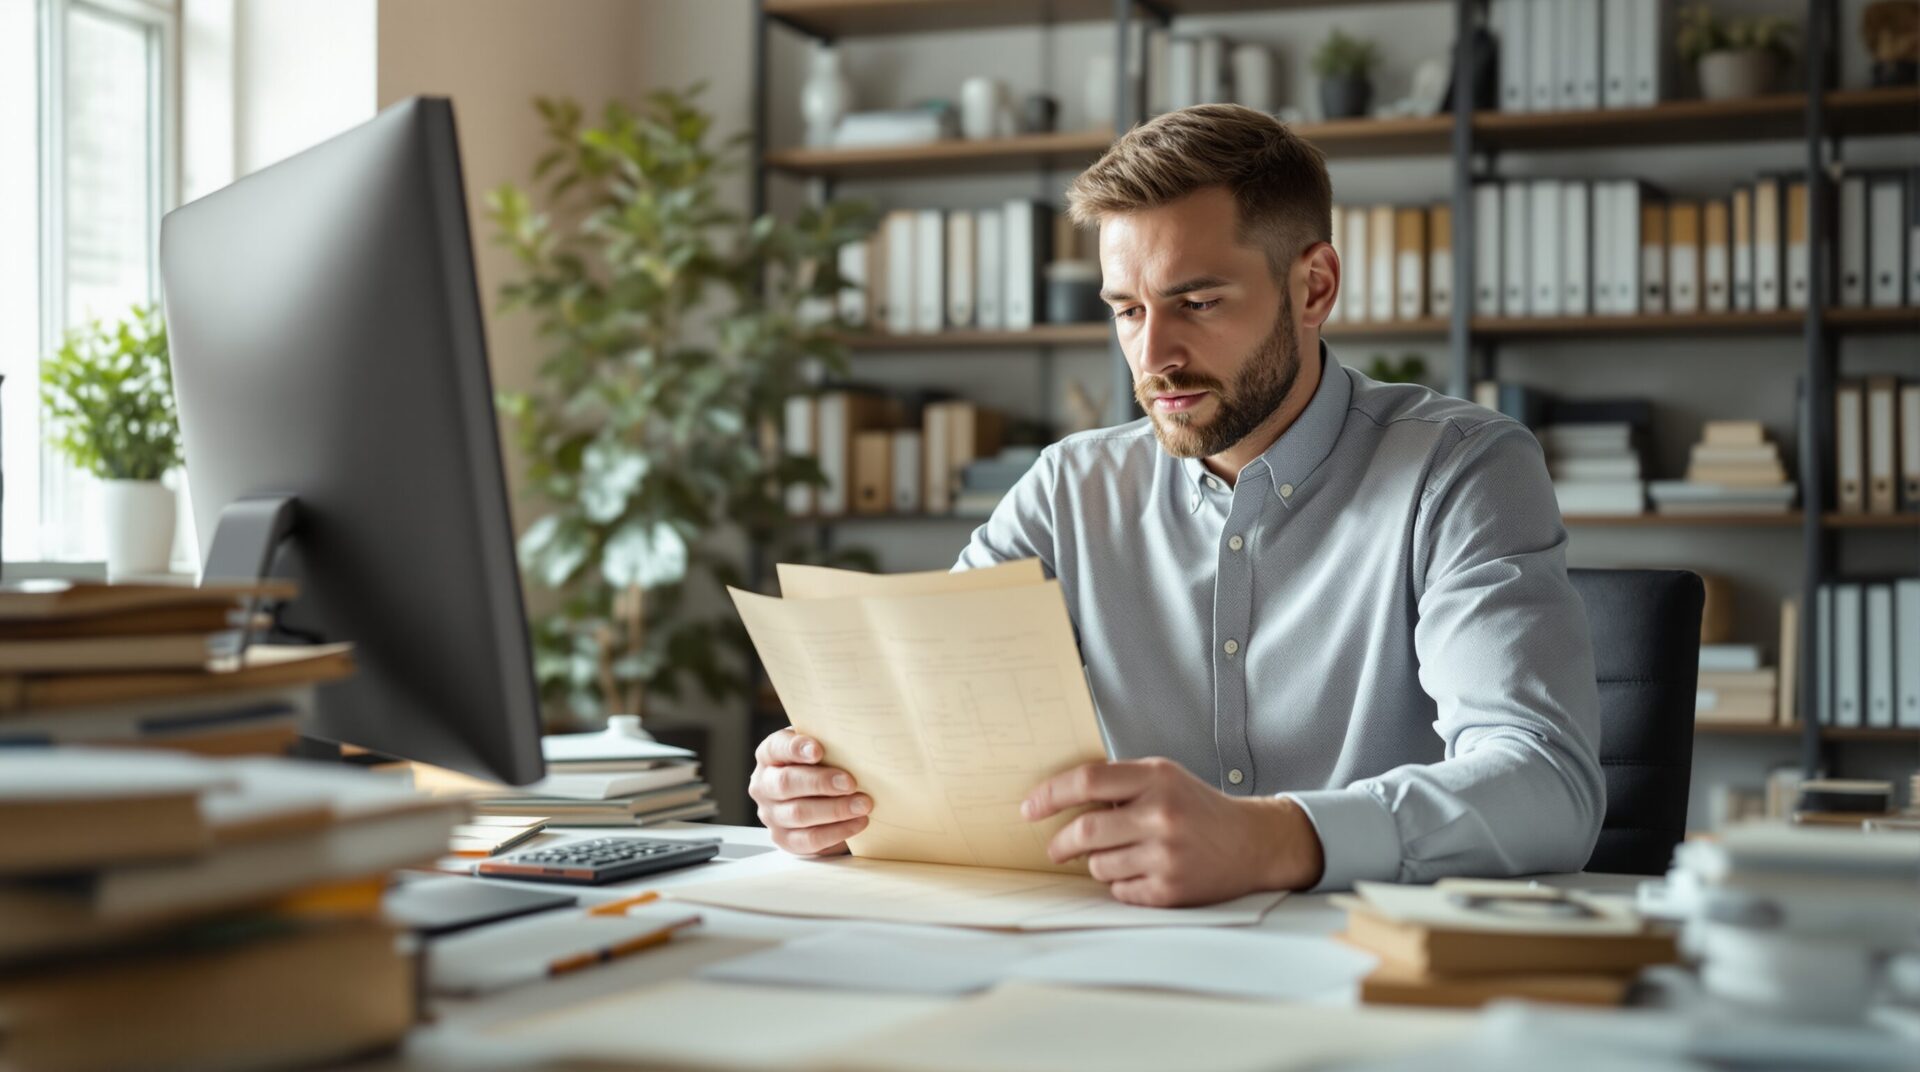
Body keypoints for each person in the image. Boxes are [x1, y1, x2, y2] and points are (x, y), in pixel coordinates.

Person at [749, 104, 1605, 906]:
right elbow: (932, 726)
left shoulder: (1460, 469)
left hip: (1369, 967)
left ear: (1313, 288)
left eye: (1197, 303)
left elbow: (1545, 784)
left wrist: (1275, 840)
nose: (1154, 356)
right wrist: (828, 790)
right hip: (1114, 959)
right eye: (1127, 310)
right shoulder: (1066, 489)